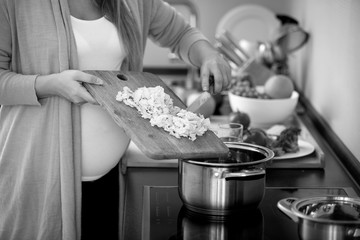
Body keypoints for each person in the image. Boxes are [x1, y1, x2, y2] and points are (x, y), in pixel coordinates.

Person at [0, 0, 231, 239]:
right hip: (39, 176)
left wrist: (209, 55)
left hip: (110, 177)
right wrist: (50, 85)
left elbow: (182, 33)